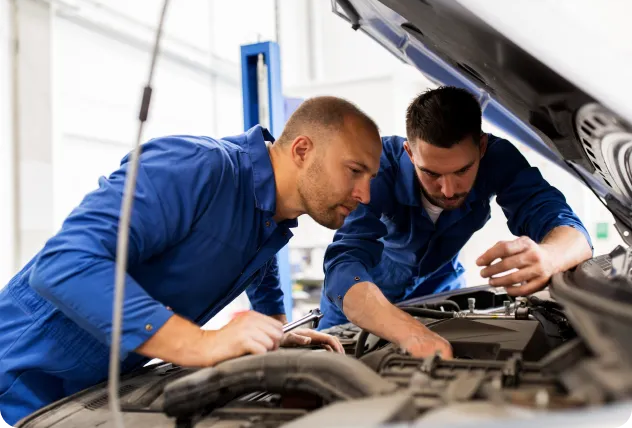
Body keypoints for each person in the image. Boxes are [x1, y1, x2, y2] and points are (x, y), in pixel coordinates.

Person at [0, 96, 383, 426]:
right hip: (15, 388)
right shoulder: (196, 167)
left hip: (94, 395)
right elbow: (65, 263)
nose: (365, 194)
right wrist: (199, 343)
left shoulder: (271, 218)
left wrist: (273, 335)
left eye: (371, 177)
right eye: (355, 171)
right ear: (302, 150)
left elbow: (256, 267)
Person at [319, 86, 593, 358]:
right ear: (410, 153)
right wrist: (409, 332)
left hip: (438, 296)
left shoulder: (498, 159)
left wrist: (549, 257)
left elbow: (567, 228)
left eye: (462, 170)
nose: (448, 190)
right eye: (431, 173)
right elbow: (343, 265)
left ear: (482, 148)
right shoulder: (376, 169)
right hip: (360, 306)